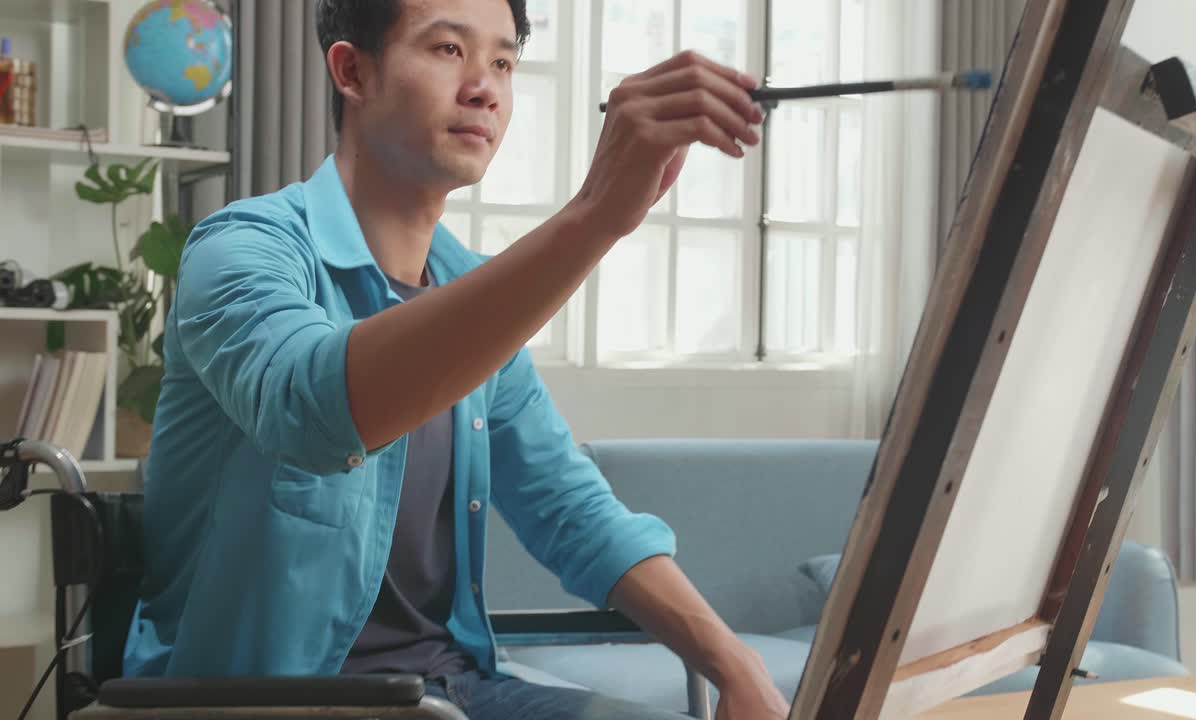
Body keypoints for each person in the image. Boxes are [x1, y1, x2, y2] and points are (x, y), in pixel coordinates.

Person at [123, 0, 786, 718]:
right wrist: (593, 215)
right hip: (285, 703)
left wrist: (735, 662)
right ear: (351, 71)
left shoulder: (471, 293)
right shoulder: (241, 250)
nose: (485, 87)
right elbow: (313, 411)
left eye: (503, 61)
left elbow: (571, 510)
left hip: (458, 691)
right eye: (447, 50)